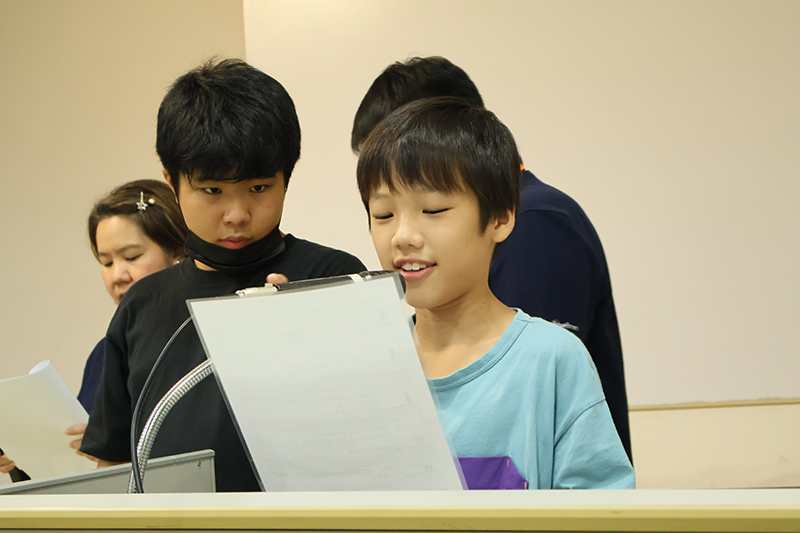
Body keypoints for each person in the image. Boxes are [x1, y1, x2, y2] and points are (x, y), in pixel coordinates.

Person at [80, 59, 366, 492]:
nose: (237, 214)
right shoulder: (141, 306)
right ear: (171, 181)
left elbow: (371, 434)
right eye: (211, 191)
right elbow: (115, 463)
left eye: (258, 188)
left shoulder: (332, 278)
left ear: (286, 178)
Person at [351, 57, 632, 461]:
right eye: (383, 214)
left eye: (432, 208)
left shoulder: (549, 357)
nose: (404, 236)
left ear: (501, 217)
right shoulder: (373, 367)